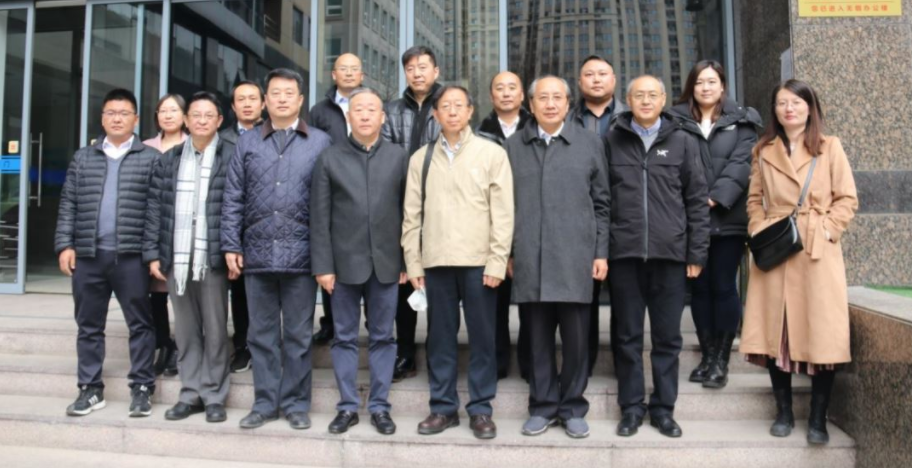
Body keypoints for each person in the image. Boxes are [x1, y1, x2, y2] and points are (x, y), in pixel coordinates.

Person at [740, 79, 858, 445]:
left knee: (822, 333)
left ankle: (818, 418)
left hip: (816, 251)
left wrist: (827, 230)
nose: (789, 109)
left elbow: (847, 198)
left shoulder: (829, 146)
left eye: (796, 102)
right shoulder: (763, 150)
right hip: (776, 246)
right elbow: (754, 199)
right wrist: (759, 227)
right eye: (781, 103)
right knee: (775, 332)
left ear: (810, 107)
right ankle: (784, 412)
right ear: (774, 110)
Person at [221, 68, 333, 430]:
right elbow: (233, 196)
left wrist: (326, 256)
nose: (282, 99)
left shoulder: (320, 142)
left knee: (298, 336)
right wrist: (230, 243)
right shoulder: (247, 143)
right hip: (257, 255)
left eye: (289, 93)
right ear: (265, 101)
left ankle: (296, 404)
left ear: (300, 100)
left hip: (302, 256)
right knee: (261, 336)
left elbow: (329, 202)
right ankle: (265, 403)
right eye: (275, 93)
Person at [401, 85, 514, 439]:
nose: (451, 111)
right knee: (439, 340)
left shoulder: (491, 153)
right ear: (435, 114)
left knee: (483, 339)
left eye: (458, 105)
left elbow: (503, 213)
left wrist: (497, 261)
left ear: (470, 111)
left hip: (479, 263)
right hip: (436, 263)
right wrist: (414, 264)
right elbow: (411, 216)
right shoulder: (421, 158)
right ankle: (443, 408)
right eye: (445, 106)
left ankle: (480, 409)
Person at [605, 75, 710, 438]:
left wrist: (696, 252)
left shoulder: (682, 141)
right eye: (639, 95)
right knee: (627, 337)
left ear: (664, 99)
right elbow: (601, 199)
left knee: (667, 339)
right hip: (625, 255)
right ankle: (631, 408)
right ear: (628, 100)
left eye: (653, 95)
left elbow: (696, 201)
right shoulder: (612, 140)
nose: (646, 100)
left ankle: (664, 409)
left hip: (670, 256)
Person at [505, 76, 610, 439]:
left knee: (577, 340)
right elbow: (503, 207)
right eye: (543, 98)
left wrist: (600, 252)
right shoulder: (513, 146)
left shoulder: (589, 143)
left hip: (575, 256)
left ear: (568, 103)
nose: (550, 104)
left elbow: (602, 203)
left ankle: (573, 407)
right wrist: (508, 252)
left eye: (557, 98)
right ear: (530, 105)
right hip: (529, 256)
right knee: (536, 339)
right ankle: (543, 406)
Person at [55, 88, 159, 417]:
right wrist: (65, 244)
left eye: (124, 113)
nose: (117, 118)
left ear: (136, 119)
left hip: (131, 257)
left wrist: (152, 254)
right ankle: (90, 388)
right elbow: (68, 203)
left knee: (140, 324)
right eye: (110, 113)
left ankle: (142, 387)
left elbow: (156, 211)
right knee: (88, 325)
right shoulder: (83, 158)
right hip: (88, 255)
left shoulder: (150, 158)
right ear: (102, 118)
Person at [311, 87, 408, 436]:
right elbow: (319, 217)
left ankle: (380, 406)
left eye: (372, 110)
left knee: (383, 337)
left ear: (382, 117)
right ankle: (348, 406)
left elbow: (409, 213)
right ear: (348, 116)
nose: (365, 115)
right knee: (344, 338)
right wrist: (323, 266)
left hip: (387, 264)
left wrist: (407, 262)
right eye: (358, 109)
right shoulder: (329, 158)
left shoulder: (399, 157)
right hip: (342, 266)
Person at [669, 60, 762, 388]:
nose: (705, 87)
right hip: (689, 220)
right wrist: (692, 202)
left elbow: (742, 164)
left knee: (723, 285)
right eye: (699, 82)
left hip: (728, 218)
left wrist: (713, 197)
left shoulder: (742, 121)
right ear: (691, 87)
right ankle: (707, 357)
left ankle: (722, 360)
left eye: (711, 81)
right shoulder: (675, 121)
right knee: (699, 288)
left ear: (723, 85)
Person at [146, 92, 234, 424]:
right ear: (186, 120)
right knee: (185, 329)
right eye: (195, 115)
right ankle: (189, 393)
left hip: (212, 255)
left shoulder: (231, 155)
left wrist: (233, 249)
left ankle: (214, 395)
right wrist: (153, 254)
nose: (201, 120)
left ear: (219, 121)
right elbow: (155, 209)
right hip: (177, 257)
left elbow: (236, 206)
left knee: (215, 327)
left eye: (208, 115)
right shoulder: (169, 159)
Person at [381, 45, 443, 382]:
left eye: (423, 67)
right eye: (410, 68)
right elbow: (387, 156)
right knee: (405, 282)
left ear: (435, 71)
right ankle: (404, 353)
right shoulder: (391, 111)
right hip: (400, 204)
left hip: (441, 207)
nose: (417, 73)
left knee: (440, 285)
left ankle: (438, 354)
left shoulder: (447, 104)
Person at [566, 55, 628, 376]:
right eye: (589, 74)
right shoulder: (568, 119)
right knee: (583, 298)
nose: (596, 79)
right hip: (581, 220)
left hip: (625, 218)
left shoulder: (630, 118)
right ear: (580, 82)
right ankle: (584, 362)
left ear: (614, 80)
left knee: (624, 298)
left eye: (602, 73)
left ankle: (622, 363)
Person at [475, 70, 533, 381]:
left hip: (529, 224)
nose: (506, 93)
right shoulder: (478, 134)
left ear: (522, 95)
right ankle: (496, 363)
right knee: (493, 302)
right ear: (491, 96)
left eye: (513, 88)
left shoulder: (536, 129)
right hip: (490, 228)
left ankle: (529, 363)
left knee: (531, 303)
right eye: (500, 88)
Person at [308, 52, 366, 345]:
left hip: (369, 186)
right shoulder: (319, 111)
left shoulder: (371, 105)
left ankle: (374, 322)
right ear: (333, 75)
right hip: (333, 188)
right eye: (343, 68)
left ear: (362, 75)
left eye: (354, 69)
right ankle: (330, 322)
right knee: (333, 259)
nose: (349, 73)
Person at [219, 80, 266, 374]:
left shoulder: (274, 135)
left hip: (266, 226)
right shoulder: (221, 140)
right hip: (234, 224)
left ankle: (265, 346)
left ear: (263, 103)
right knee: (239, 292)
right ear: (233, 106)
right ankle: (242, 346)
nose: (247, 104)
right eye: (241, 99)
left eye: (253, 98)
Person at [144, 93, 188, 377]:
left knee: (184, 294)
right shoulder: (145, 148)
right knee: (155, 295)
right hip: (152, 230)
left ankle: (185, 347)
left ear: (184, 115)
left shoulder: (193, 145)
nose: (168, 115)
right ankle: (164, 344)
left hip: (183, 231)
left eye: (173, 110)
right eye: (163, 111)